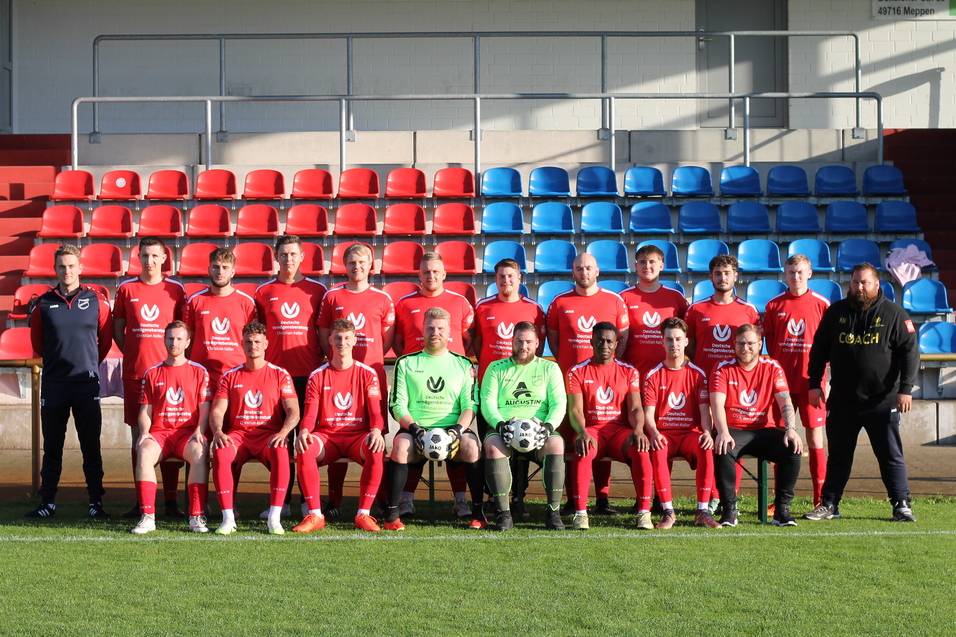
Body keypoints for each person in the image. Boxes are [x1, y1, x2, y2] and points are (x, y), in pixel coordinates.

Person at [805, 263, 920, 522]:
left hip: (883, 400)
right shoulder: (835, 312)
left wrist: (906, 389)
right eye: (855, 282)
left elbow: (910, 353)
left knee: (890, 455)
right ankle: (830, 504)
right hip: (843, 401)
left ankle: (901, 504)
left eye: (864, 283)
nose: (859, 287)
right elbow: (819, 350)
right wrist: (814, 383)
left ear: (877, 285)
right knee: (839, 456)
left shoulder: (894, 313)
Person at [26, 244, 113, 520]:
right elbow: (38, 344)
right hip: (54, 384)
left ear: (80, 268)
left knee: (91, 446)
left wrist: (86, 365)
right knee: (52, 446)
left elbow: (105, 341)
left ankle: (96, 502)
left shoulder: (95, 300)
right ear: (55, 269)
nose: (67, 270)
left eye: (72, 265)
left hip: (86, 383)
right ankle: (47, 502)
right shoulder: (44, 303)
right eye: (62, 266)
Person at [391, 252, 475, 517]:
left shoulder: (460, 302)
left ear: (444, 274)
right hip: (419, 377)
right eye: (426, 272)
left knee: (455, 436)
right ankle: (404, 500)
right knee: (415, 439)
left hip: (453, 377)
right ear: (419, 274)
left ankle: (461, 500)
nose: (431, 276)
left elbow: (468, 339)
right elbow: (397, 341)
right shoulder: (404, 303)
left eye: (436, 271)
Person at [383, 307, 483, 530]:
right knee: (399, 446)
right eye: (430, 328)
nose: (434, 332)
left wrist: (457, 430)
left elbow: (470, 405)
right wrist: (416, 429)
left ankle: (477, 512)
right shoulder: (406, 363)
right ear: (422, 330)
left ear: (449, 333)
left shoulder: (464, 364)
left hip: (452, 429)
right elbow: (397, 404)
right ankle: (392, 513)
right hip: (417, 429)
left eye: (440, 329)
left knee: (472, 446)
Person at [547, 253, 629, 516]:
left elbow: (623, 339)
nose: (584, 272)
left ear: (598, 271)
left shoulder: (614, 300)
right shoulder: (559, 302)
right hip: (571, 383)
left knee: (603, 431)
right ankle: (574, 500)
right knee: (574, 439)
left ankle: (602, 500)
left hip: (605, 380)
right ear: (573, 271)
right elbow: (555, 342)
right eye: (579, 268)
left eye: (589, 268)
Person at [315, 242, 393, 516]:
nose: (357, 267)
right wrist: (338, 361)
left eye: (362, 262)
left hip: (371, 376)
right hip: (339, 376)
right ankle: (334, 501)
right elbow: (323, 331)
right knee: (337, 429)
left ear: (370, 265)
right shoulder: (332, 296)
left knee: (376, 435)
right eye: (352, 263)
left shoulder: (382, 298)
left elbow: (386, 340)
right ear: (344, 266)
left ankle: (380, 499)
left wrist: (367, 362)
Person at [113, 236, 188, 519]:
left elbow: (182, 330)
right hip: (136, 374)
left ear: (164, 258)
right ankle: (141, 500)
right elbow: (119, 330)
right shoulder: (126, 288)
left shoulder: (175, 289)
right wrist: (135, 353)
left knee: (170, 434)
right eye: (144, 255)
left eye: (154, 256)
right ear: (138, 257)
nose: (149, 261)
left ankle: (170, 501)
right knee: (140, 438)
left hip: (170, 375)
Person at [254, 235, 327, 518]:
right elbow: (258, 334)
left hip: (309, 375)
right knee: (280, 441)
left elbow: (323, 333)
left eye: (293, 254)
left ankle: (309, 502)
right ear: (276, 257)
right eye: (283, 254)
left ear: (302, 257)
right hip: (275, 378)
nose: (288, 259)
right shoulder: (263, 292)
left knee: (305, 441)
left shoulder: (317, 291)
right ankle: (281, 502)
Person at [293, 319, 386, 533]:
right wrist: (305, 431)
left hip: (357, 438)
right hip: (328, 438)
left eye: (346, 338)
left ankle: (363, 514)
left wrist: (376, 430)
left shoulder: (367, 373)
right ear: (329, 340)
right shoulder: (317, 375)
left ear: (354, 340)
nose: (341, 342)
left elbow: (375, 413)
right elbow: (310, 415)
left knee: (376, 446)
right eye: (337, 338)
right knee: (305, 446)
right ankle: (315, 515)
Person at [209, 322, 300, 535]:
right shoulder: (230, 375)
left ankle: (275, 518)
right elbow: (217, 411)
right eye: (248, 341)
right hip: (239, 435)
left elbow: (293, 410)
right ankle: (228, 518)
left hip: (269, 436)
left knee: (281, 451)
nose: (253, 345)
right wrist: (218, 432)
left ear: (266, 344)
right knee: (221, 451)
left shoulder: (280, 374)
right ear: (242, 344)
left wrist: (283, 433)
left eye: (257, 341)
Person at [710, 324, 803, 527]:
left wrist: (791, 429)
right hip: (734, 430)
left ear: (760, 344)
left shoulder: (772, 366)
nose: (745, 348)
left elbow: (785, 400)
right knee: (722, 446)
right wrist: (723, 432)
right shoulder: (722, 367)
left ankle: (782, 510)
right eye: (741, 343)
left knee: (793, 448)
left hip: (763, 430)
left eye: (751, 343)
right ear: (734, 345)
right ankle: (729, 511)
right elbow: (716, 403)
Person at [480, 321, 566, 531]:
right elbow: (487, 401)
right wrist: (500, 425)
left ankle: (553, 513)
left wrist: (548, 427)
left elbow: (559, 403)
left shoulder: (550, 368)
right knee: (492, 446)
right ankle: (504, 513)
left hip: (539, 431)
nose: (523, 346)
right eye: (519, 341)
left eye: (528, 342)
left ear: (537, 343)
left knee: (556, 445)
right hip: (505, 429)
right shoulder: (495, 368)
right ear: (512, 341)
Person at [566, 322, 652, 530]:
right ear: (591, 342)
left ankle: (644, 512)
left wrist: (639, 430)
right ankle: (580, 513)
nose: (604, 345)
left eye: (608, 341)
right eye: (599, 341)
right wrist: (582, 432)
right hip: (593, 431)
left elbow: (635, 408)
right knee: (583, 449)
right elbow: (575, 410)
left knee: (641, 449)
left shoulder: (630, 371)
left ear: (616, 344)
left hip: (619, 432)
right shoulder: (576, 371)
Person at [130, 321, 211, 534]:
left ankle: (196, 516)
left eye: (179, 339)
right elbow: (145, 411)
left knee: (200, 451)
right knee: (144, 451)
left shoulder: (199, 371)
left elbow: (205, 409)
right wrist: (145, 432)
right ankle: (147, 516)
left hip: (187, 435)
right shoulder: (152, 373)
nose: (174, 343)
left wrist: (199, 430)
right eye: (170, 338)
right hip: (160, 434)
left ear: (187, 342)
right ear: (164, 340)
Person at [762, 254, 830, 507]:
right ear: (785, 274)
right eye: (791, 272)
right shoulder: (773, 306)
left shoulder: (822, 304)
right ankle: (780, 500)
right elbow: (768, 343)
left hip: (812, 383)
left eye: (801, 272)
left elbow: (829, 345)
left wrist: (824, 379)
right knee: (783, 440)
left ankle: (820, 498)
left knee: (815, 440)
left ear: (809, 273)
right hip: (782, 387)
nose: (796, 276)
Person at [642, 317, 720, 529]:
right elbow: (648, 414)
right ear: (662, 341)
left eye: (678, 339)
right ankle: (668, 512)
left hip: (689, 434)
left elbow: (706, 410)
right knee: (657, 448)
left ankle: (702, 511)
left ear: (686, 341)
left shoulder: (698, 374)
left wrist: (706, 431)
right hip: (664, 434)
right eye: (669, 339)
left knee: (706, 446)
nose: (673, 344)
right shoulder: (652, 374)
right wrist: (655, 433)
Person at [184, 246, 257, 390]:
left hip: (236, 375)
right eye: (216, 267)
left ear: (233, 272)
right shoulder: (195, 300)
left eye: (225, 267)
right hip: (202, 376)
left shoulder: (246, 302)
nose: (220, 272)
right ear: (209, 269)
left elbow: (253, 341)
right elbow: (188, 340)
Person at [685, 254, 761, 378]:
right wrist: (703, 364)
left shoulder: (749, 309)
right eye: (718, 273)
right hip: (704, 377)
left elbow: (756, 347)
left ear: (736, 276)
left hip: (737, 378)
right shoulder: (696, 309)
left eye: (727, 273)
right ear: (711, 277)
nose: (722, 278)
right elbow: (688, 346)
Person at [621, 244, 689, 380]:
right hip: (633, 375)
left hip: (669, 376)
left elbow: (689, 331)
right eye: (642, 262)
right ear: (636, 266)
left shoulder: (675, 297)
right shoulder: (623, 297)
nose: (647, 266)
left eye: (652, 262)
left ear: (661, 266)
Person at [473, 258, 546, 383]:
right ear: (495, 279)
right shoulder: (482, 306)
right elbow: (477, 341)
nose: (506, 280)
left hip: (523, 376)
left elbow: (539, 343)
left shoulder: (534, 308)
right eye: (501, 276)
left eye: (510, 276)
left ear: (519, 278)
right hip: (491, 377)